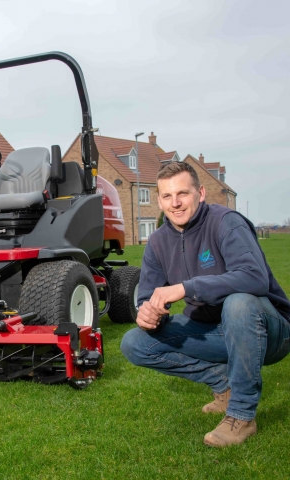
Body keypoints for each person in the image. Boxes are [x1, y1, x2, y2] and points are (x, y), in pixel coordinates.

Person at [120, 161, 290, 447]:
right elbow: (147, 296)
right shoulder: (158, 242)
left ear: (200, 193)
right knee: (135, 342)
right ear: (159, 200)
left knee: (239, 304)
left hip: (268, 331)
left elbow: (254, 278)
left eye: (182, 194)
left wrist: (186, 288)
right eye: (167, 196)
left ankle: (242, 415)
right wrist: (147, 313)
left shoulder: (226, 222)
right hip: (215, 333)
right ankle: (224, 385)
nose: (175, 203)